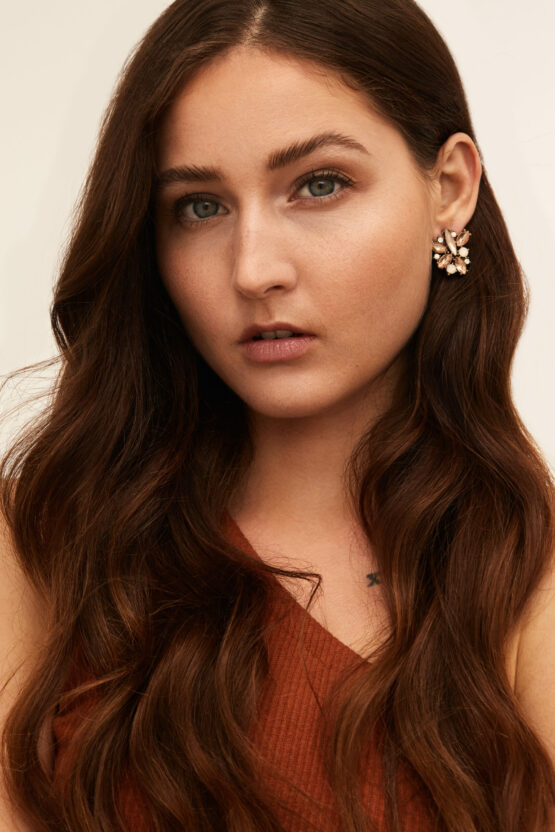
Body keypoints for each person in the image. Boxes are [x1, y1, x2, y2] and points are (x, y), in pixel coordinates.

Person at [1, 0, 553, 830]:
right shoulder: (45, 544)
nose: (253, 269)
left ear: (449, 188)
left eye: (319, 185)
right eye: (200, 206)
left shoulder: (526, 572)